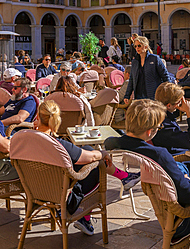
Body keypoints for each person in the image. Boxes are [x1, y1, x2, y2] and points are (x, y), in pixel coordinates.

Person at [30, 100, 140, 236]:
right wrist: (104, 153)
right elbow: (90, 157)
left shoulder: (24, 140)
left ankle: (124, 177)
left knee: (87, 151)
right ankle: (85, 218)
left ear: (38, 118)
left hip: (35, 188)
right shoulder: (59, 146)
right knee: (96, 165)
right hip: (63, 194)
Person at [103, 99, 190, 242]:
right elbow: (189, 195)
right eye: (159, 127)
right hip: (184, 216)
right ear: (150, 131)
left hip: (165, 205)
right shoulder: (159, 155)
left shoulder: (116, 143)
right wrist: (188, 179)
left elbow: (109, 141)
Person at [152, 83, 190, 154]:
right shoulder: (164, 123)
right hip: (177, 159)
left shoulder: (161, 117)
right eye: (179, 102)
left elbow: (181, 136)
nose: (180, 104)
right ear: (168, 105)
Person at [121, 35, 170, 103]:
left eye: (139, 46)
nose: (137, 48)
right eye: (135, 46)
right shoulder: (135, 62)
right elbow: (132, 80)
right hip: (138, 95)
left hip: (153, 95)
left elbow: (165, 76)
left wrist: (168, 92)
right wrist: (127, 95)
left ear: (146, 46)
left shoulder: (155, 59)